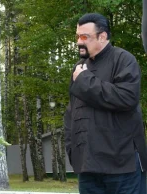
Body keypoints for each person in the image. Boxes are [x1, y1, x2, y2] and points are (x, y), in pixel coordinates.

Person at [64, 13, 147, 194]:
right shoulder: (79, 68)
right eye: (77, 36)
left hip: (122, 166)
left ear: (102, 37)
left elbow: (126, 98)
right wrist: (72, 150)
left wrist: (84, 80)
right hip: (88, 169)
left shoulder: (124, 60)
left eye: (84, 37)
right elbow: (71, 113)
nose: (79, 41)